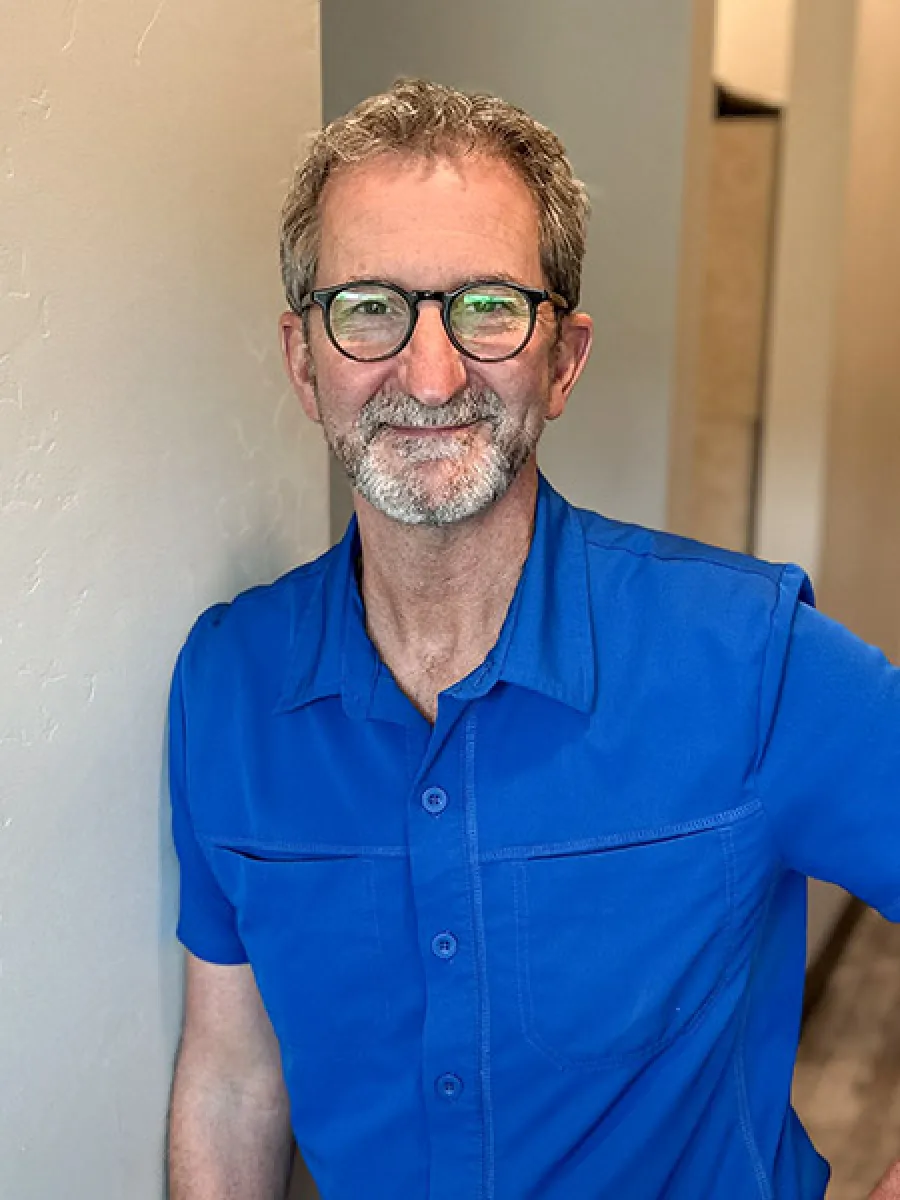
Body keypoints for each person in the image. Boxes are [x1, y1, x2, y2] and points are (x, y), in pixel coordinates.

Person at [166, 79, 900, 1200]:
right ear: (303, 359)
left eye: (489, 307)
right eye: (368, 307)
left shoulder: (755, 663)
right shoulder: (226, 685)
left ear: (564, 358)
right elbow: (232, 1074)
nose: (429, 374)